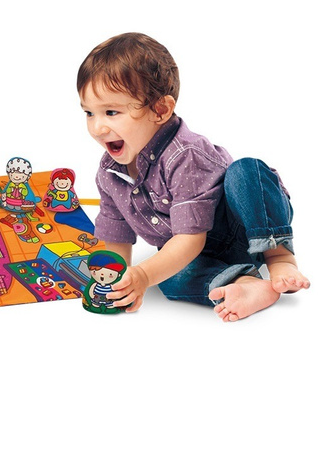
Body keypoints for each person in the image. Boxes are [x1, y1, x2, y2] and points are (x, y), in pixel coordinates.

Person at [78, 32, 309, 322]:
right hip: (193, 252)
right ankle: (243, 283)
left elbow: (191, 238)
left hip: (244, 225)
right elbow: (116, 234)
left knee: (246, 171)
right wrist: (120, 282)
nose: (97, 128)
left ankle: (279, 256)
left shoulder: (184, 155)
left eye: (111, 112)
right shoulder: (110, 173)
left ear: (160, 110)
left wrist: (143, 275)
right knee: (168, 278)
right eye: (89, 113)